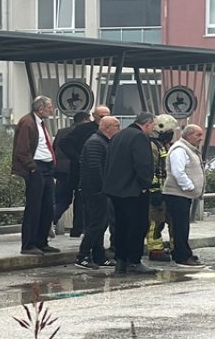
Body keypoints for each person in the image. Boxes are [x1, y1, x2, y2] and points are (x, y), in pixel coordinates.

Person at [103, 113, 157, 274]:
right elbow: (143, 163)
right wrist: (145, 184)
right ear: (147, 124)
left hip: (116, 189)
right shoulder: (139, 137)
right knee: (138, 225)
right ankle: (134, 260)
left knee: (121, 225)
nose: (152, 129)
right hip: (133, 190)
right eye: (152, 126)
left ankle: (121, 260)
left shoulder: (119, 136)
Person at [11, 96, 59, 256]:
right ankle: (29, 244)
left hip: (47, 166)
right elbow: (22, 150)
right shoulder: (27, 123)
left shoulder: (41, 123)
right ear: (40, 109)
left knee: (48, 206)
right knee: (34, 206)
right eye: (49, 107)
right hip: (36, 167)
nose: (52, 110)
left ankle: (41, 241)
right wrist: (32, 168)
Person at [56, 105, 111, 237]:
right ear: (94, 116)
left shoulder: (110, 130)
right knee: (80, 199)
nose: (104, 119)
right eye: (102, 116)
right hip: (82, 171)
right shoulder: (83, 129)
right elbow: (64, 143)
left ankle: (87, 228)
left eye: (107, 116)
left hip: (102, 171)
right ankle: (79, 228)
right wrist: (78, 158)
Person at [76, 116, 121, 269]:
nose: (119, 129)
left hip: (99, 190)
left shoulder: (103, 141)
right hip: (95, 191)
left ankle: (99, 256)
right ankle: (82, 256)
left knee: (102, 224)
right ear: (107, 128)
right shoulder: (95, 142)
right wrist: (104, 188)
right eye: (116, 125)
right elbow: (95, 168)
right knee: (96, 223)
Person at [164, 124, 206, 267]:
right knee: (179, 226)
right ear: (188, 136)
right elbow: (178, 172)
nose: (201, 138)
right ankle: (182, 255)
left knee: (183, 225)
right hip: (177, 194)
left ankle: (185, 252)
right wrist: (189, 186)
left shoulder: (188, 149)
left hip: (183, 195)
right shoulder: (180, 150)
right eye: (198, 135)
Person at [145, 114, 178, 262]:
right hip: (157, 192)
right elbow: (150, 169)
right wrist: (155, 191)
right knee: (155, 222)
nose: (171, 135)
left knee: (172, 220)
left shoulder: (165, 145)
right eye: (169, 133)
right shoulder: (152, 146)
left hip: (168, 190)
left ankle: (175, 247)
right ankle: (155, 250)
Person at [52, 111, 90, 235]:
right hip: (75, 170)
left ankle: (49, 220)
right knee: (80, 199)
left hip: (60, 170)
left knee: (62, 199)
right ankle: (77, 229)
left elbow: (54, 148)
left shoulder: (61, 132)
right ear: (84, 119)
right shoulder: (83, 132)